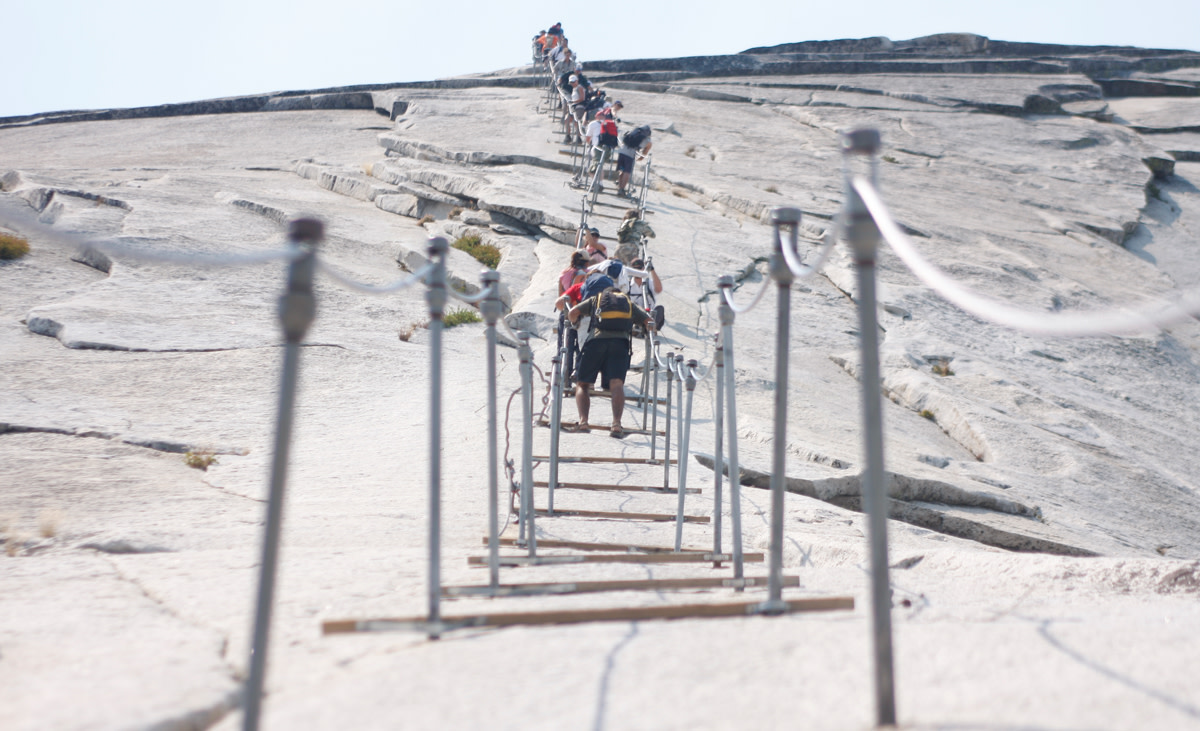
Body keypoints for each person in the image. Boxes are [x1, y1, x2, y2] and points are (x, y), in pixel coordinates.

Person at [568, 286, 654, 438]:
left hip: (595, 342)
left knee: (583, 383)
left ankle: (583, 422)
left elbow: (573, 312)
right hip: (620, 344)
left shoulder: (597, 299)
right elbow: (649, 321)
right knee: (616, 384)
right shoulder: (629, 303)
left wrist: (574, 324)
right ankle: (616, 424)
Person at [628, 257, 665, 332]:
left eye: (639, 269)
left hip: (650, 316)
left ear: (643, 269)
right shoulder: (628, 285)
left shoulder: (649, 283)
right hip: (636, 315)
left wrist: (652, 270)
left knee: (660, 309)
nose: (637, 272)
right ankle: (640, 328)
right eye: (635, 270)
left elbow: (659, 289)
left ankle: (650, 328)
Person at [616, 125, 652, 198]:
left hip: (622, 151)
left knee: (622, 170)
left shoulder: (633, 133)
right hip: (630, 154)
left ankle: (620, 187)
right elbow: (645, 152)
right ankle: (622, 189)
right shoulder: (648, 140)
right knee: (627, 172)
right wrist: (641, 158)